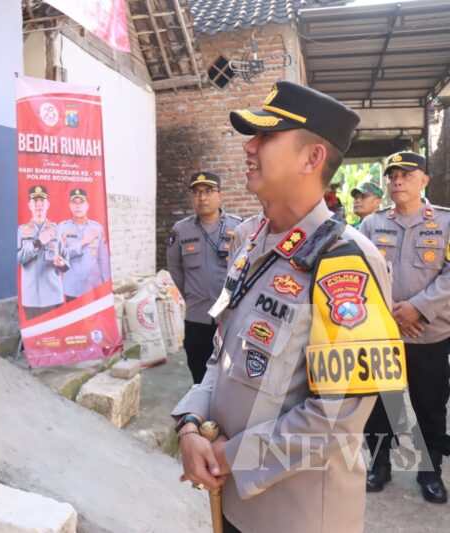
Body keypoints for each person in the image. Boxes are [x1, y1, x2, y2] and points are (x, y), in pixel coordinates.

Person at [173, 81, 406, 533]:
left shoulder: (346, 262)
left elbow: (337, 416)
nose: (249, 147)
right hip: (232, 499)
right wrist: (189, 423)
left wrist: (227, 456)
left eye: (266, 137)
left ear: (312, 158)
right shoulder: (250, 240)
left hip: (296, 516)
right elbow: (223, 355)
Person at [359, 150, 450, 503]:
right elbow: (360, 276)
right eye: (393, 174)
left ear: (424, 179)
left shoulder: (444, 223)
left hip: (428, 335)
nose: (397, 180)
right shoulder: (371, 225)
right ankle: (379, 465)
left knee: (429, 406)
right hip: (382, 334)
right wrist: (391, 315)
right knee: (381, 405)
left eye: (406, 174)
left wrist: (418, 308)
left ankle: (430, 473)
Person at [166, 172, 241, 384]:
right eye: (197, 192)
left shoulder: (239, 227)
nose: (202, 198)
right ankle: (199, 413)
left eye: (208, 191)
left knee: (229, 376)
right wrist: (191, 295)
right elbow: (175, 269)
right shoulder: (181, 230)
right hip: (197, 317)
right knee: (198, 373)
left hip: (230, 317)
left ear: (220, 195)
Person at [18, 186, 67, 320]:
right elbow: (18, 258)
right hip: (31, 297)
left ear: (48, 205)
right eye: (35, 202)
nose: (39, 205)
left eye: (42, 202)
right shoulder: (21, 231)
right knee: (35, 338)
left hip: (53, 295)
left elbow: (66, 260)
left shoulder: (57, 230)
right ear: (29, 205)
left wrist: (62, 263)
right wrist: (38, 242)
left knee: (55, 336)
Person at [58, 188, 111, 302]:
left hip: (93, 286)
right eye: (74, 202)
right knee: (74, 318)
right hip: (72, 287)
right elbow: (60, 256)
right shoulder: (62, 228)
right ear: (70, 206)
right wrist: (83, 242)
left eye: (81, 202)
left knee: (93, 319)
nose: (78, 206)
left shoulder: (97, 228)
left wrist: (106, 284)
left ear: (87, 205)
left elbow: (103, 260)